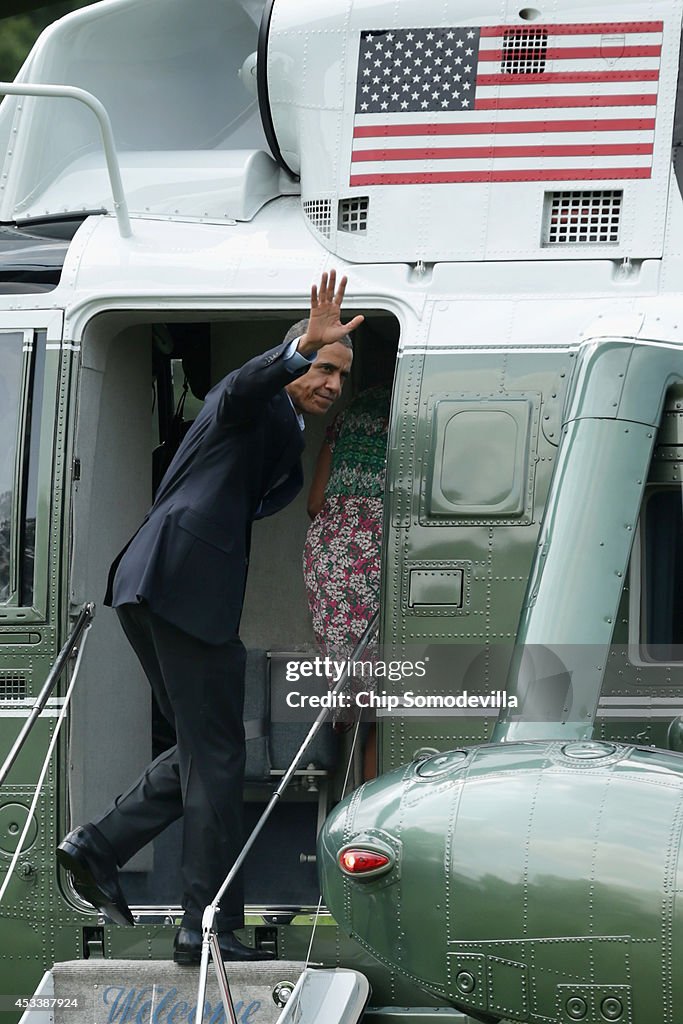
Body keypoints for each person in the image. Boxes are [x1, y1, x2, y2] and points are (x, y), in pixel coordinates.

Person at [56, 270, 363, 963]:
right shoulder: (253, 403)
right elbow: (240, 390)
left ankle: (99, 845)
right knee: (222, 761)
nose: (330, 384)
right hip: (183, 588)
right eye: (321, 367)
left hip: (158, 587)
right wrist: (290, 353)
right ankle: (207, 929)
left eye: (340, 375)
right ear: (294, 361)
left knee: (201, 752)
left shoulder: (283, 426)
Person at [303, 383, 390, 775]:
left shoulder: (346, 416)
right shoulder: (413, 416)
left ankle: (355, 800)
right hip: (376, 548)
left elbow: (315, 501)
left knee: (358, 692)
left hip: (329, 548)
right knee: (389, 700)